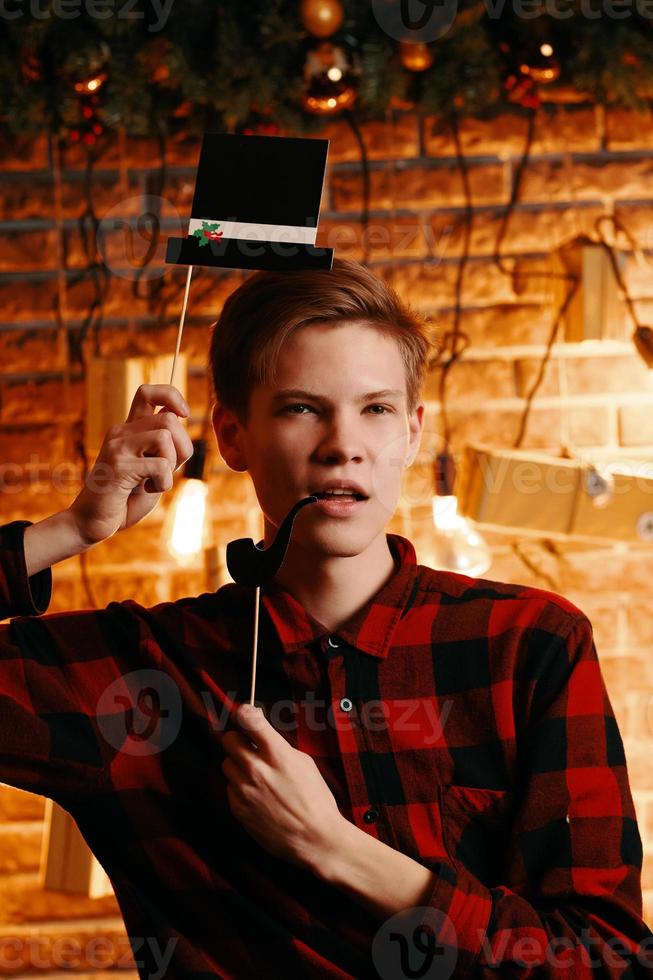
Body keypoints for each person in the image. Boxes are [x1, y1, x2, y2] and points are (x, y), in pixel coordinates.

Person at [1, 258, 651, 979]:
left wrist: (334, 848)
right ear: (232, 435)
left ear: (411, 430)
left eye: (374, 408)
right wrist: (68, 529)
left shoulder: (527, 644)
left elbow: (607, 961)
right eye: (301, 408)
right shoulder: (136, 671)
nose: (344, 444)